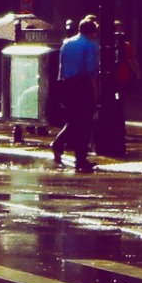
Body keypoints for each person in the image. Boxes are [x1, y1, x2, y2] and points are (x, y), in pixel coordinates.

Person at [51, 16, 100, 172]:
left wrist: (61, 87)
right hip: (82, 85)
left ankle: (59, 143)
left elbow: (61, 67)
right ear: (92, 32)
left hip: (67, 84)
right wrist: (95, 91)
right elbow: (91, 71)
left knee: (73, 119)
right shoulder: (91, 46)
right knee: (85, 122)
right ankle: (80, 158)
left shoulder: (67, 43)